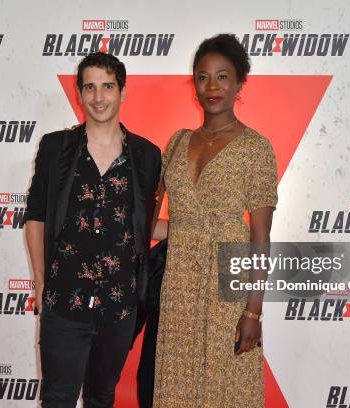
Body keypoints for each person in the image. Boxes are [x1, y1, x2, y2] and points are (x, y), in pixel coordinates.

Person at [24, 52, 161, 408]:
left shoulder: (147, 155)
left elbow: (143, 224)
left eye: (107, 86)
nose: (99, 97)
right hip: (64, 301)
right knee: (58, 398)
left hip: (119, 306)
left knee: (102, 397)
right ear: (80, 93)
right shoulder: (56, 148)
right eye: (90, 87)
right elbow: (36, 216)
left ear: (122, 92)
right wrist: (40, 282)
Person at [151, 34, 278, 407]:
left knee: (228, 387)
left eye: (223, 77)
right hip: (179, 286)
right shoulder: (176, 142)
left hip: (230, 280)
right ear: (194, 84)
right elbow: (158, 224)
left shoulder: (255, 147)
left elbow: (260, 236)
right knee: (177, 387)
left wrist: (253, 310)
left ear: (240, 83)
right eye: (203, 77)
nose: (212, 86)